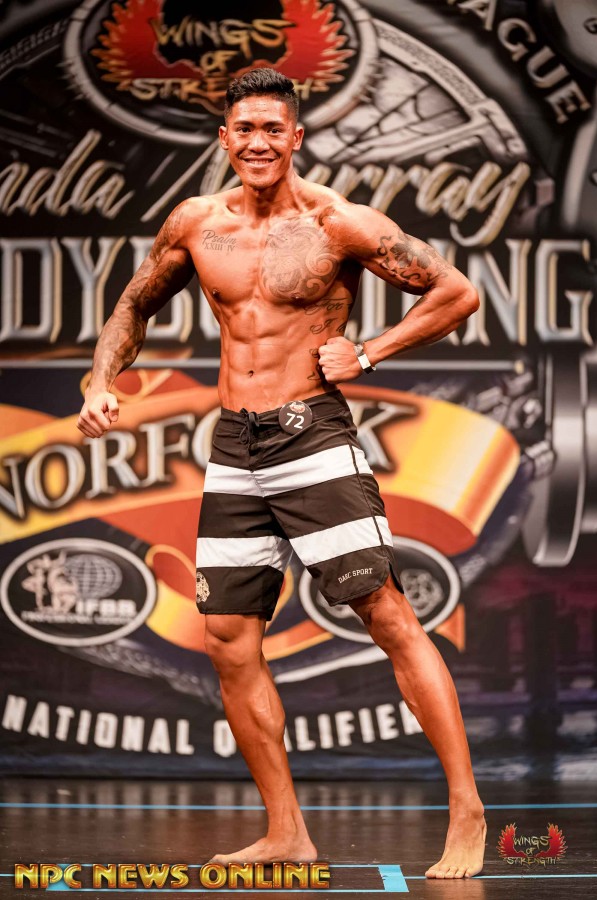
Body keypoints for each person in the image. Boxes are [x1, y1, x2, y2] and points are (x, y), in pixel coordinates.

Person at [77, 68, 487, 879]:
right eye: (245, 129)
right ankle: (287, 831)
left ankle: (468, 808)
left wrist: (370, 351)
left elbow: (456, 292)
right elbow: (133, 305)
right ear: (224, 138)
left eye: (273, 128)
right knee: (229, 640)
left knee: (386, 614)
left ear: (296, 137)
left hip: (313, 436)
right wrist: (99, 381)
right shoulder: (197, 223)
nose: (258, 142)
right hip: (235, 446)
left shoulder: (338, 223)